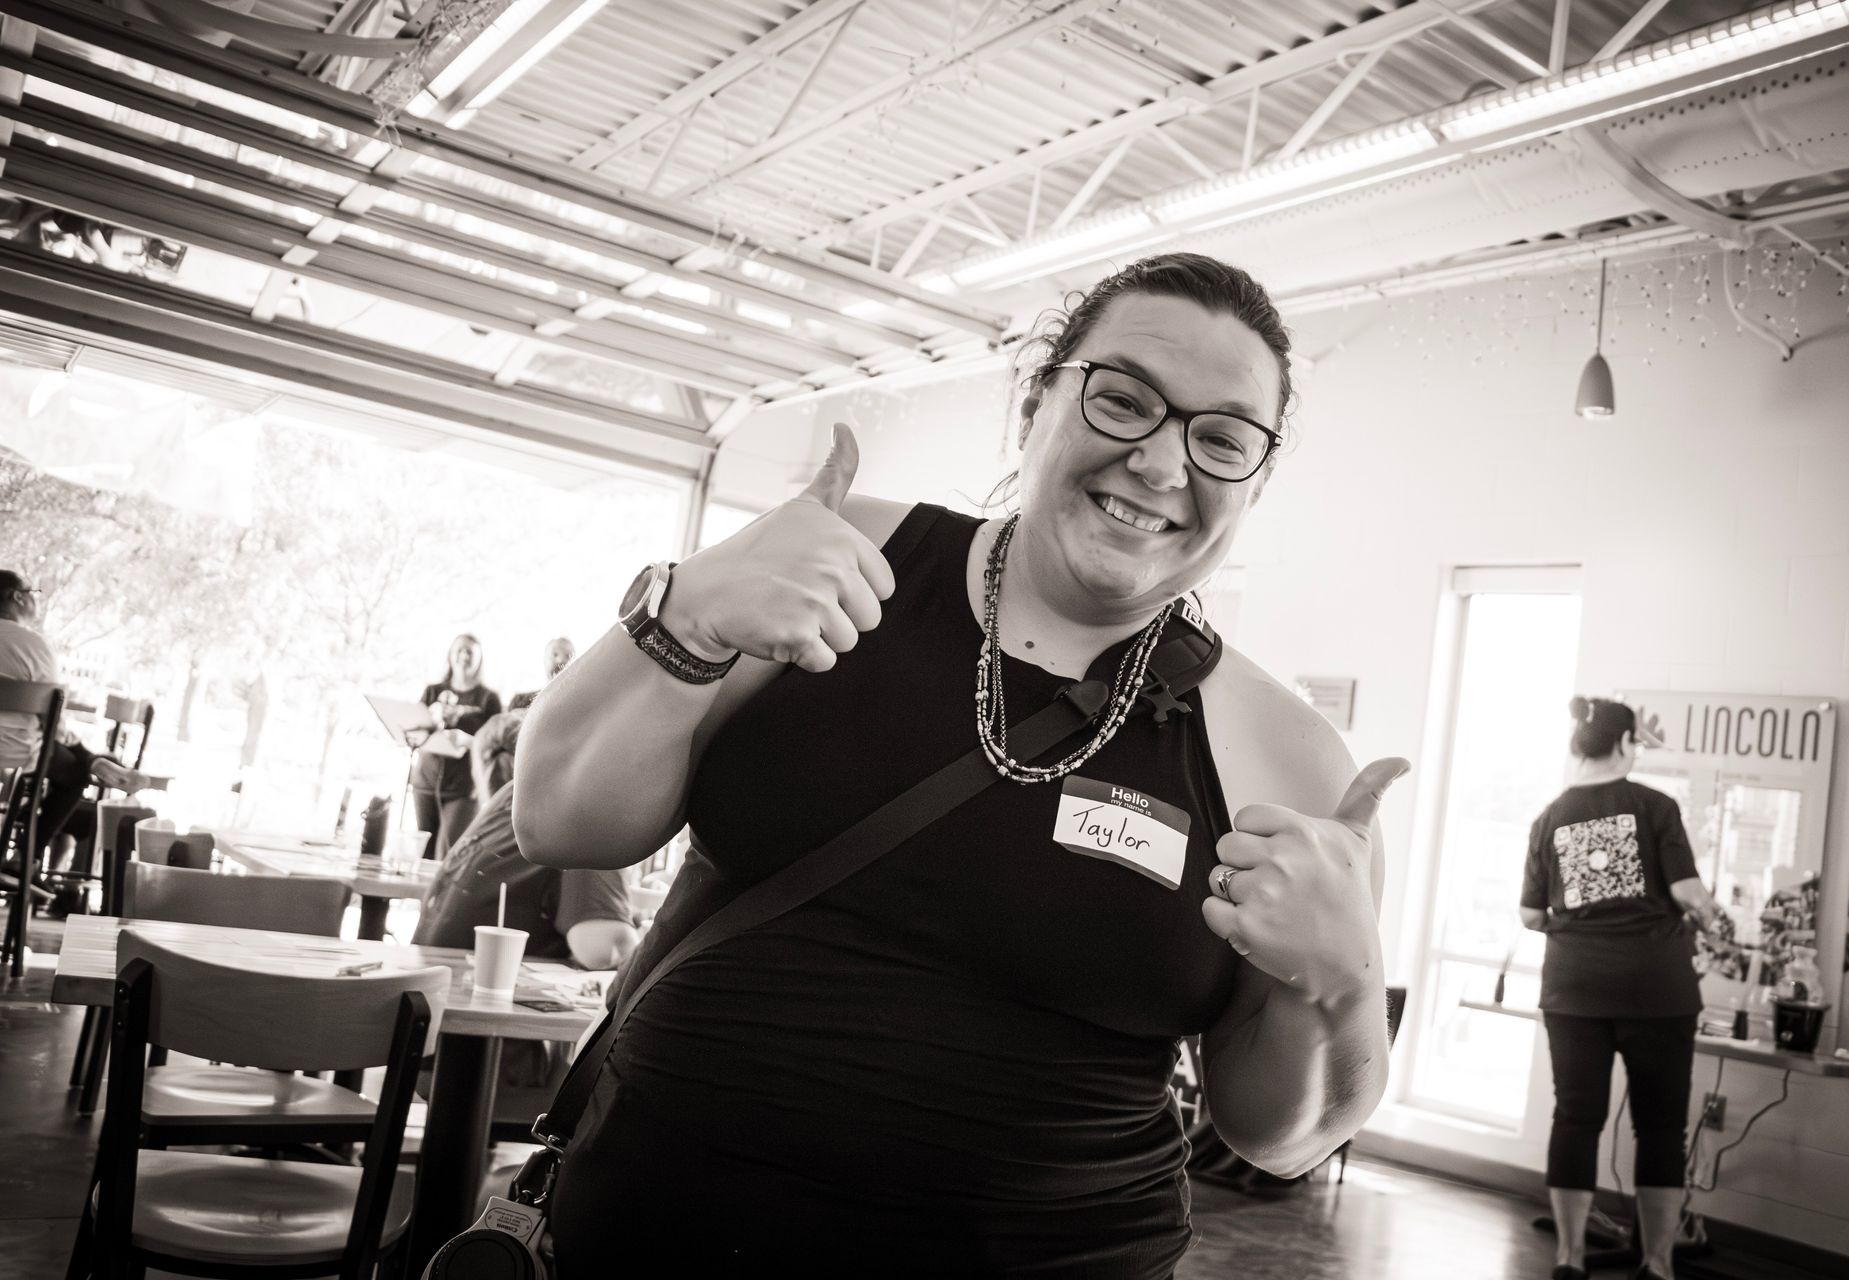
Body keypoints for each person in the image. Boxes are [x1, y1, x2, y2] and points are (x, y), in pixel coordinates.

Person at [517, 253, 1406, 1276]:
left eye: (1222, 439)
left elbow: (1280, 1138)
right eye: (1123, 400)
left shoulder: (1291, 760)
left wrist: (1341, 981)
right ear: (1035, 404)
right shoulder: (839, 558)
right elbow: (558, 819)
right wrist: (686, 618)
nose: (1163, 465)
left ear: (1257, 480)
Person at [1521, 696, 1728, 1280]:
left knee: (1575, 1118)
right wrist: (1716, 918)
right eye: (1635, 742)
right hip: (1655, 989)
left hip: (1573, 990)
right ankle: (1657, 1263)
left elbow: (1530, 915)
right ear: (1623, 744)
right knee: (1660, 1126)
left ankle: (1570, 1257)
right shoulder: (1655, 806)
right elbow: (1687, 892)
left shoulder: (1550, 817)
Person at [0, 570, 152, 877]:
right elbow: (52, 721)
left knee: (60, 755)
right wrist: (81, 749)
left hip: (20, 750)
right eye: (33, 592)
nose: (35, 598)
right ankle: (26, 858)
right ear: (17, 597)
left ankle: (92, 761)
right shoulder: (32, 646)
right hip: (14, 751)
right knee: (74, 775)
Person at [413, 778, 636, 970]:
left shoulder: (526, 786)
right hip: (464, 994)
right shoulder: (594, 810)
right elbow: (604, 952)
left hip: (422, 984)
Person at [412, 633, 500, 859]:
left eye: (470, 651)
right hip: (425, 782)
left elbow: (497, 745)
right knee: (423, 853)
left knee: (447, 855)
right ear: (450, 654)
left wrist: (467, 740)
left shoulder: (489, 699)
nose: (464, 656)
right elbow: (414, 731)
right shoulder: (432, 692)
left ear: (480, 658)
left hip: (464, 787)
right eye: (459, 650)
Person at [506, 637, 575, 712]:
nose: (560, 660)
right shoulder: (519, 702)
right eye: (555, 654)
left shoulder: (577, 702)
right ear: (544, 659)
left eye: (567, 656)